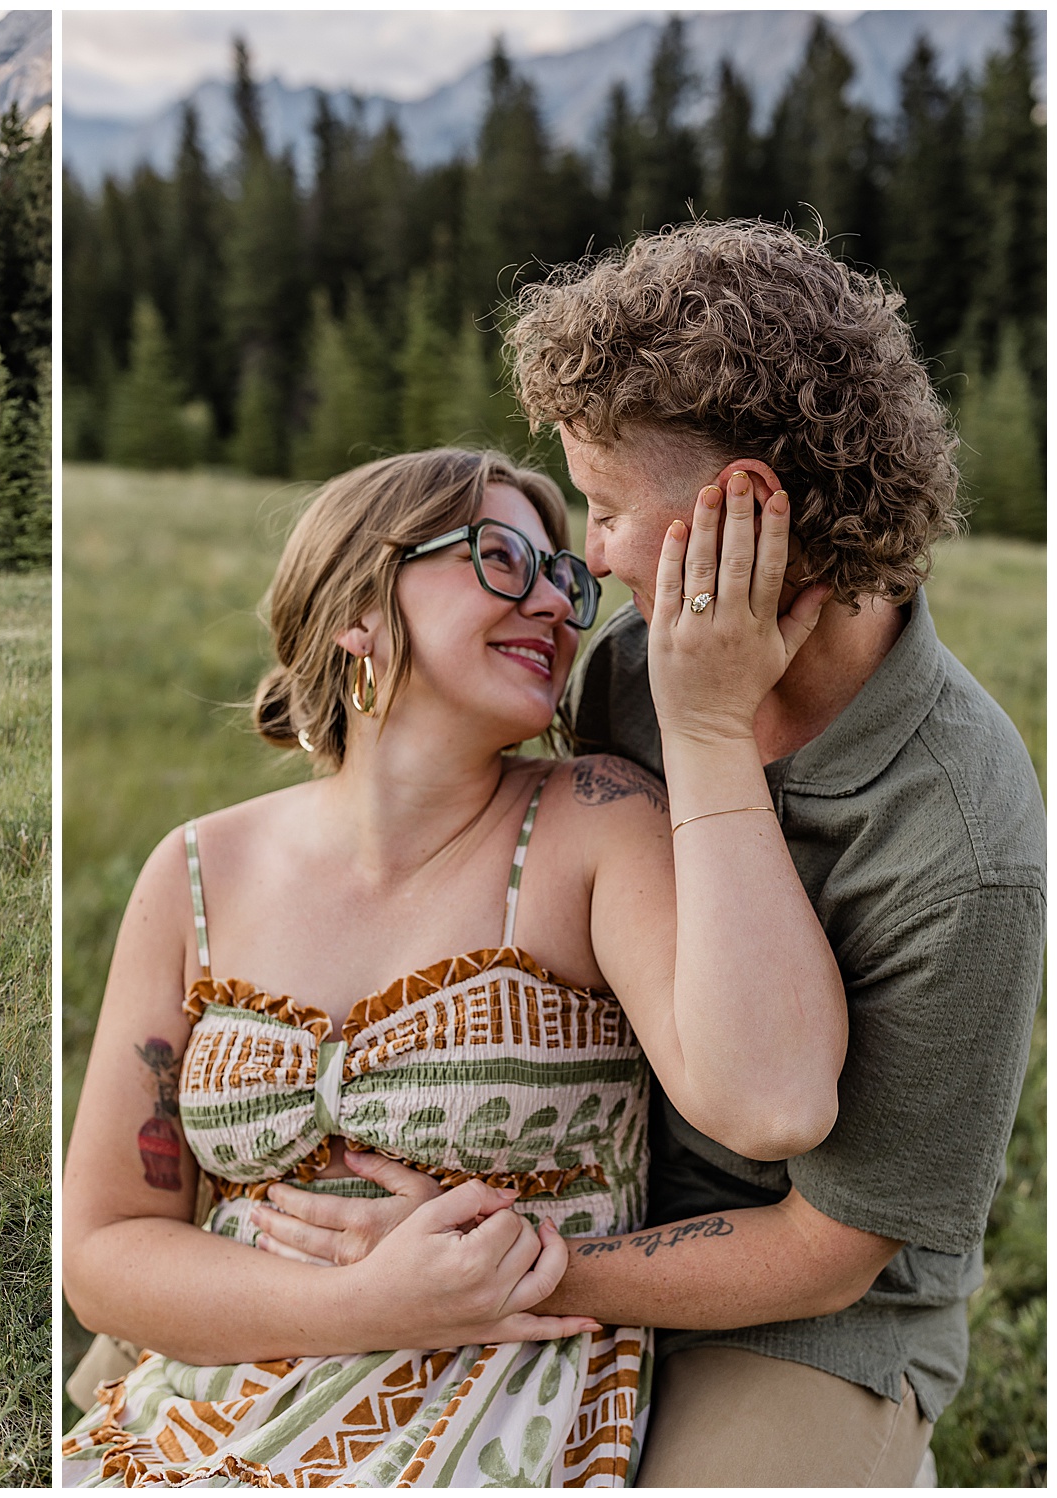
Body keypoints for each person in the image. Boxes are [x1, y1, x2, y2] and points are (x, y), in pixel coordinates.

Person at [61, 445, 848, 1486]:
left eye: (563, 578)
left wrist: (703, 724)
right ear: (356, 603)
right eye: (499, 559)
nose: (558, 608)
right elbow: (105, 1245)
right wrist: (356, 1307)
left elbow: (773, 1098)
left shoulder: (590, 823)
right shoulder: (198, 870)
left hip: (487, 1413)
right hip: (220, 1395)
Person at [492, 219, 1045, 1485]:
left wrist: (514, 1278)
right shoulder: (627, 667)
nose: (591, 552)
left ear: (743, 512)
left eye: (610, 504)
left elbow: (831, 1243)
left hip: (811, 1313)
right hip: (590, 1183)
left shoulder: (962, 836)